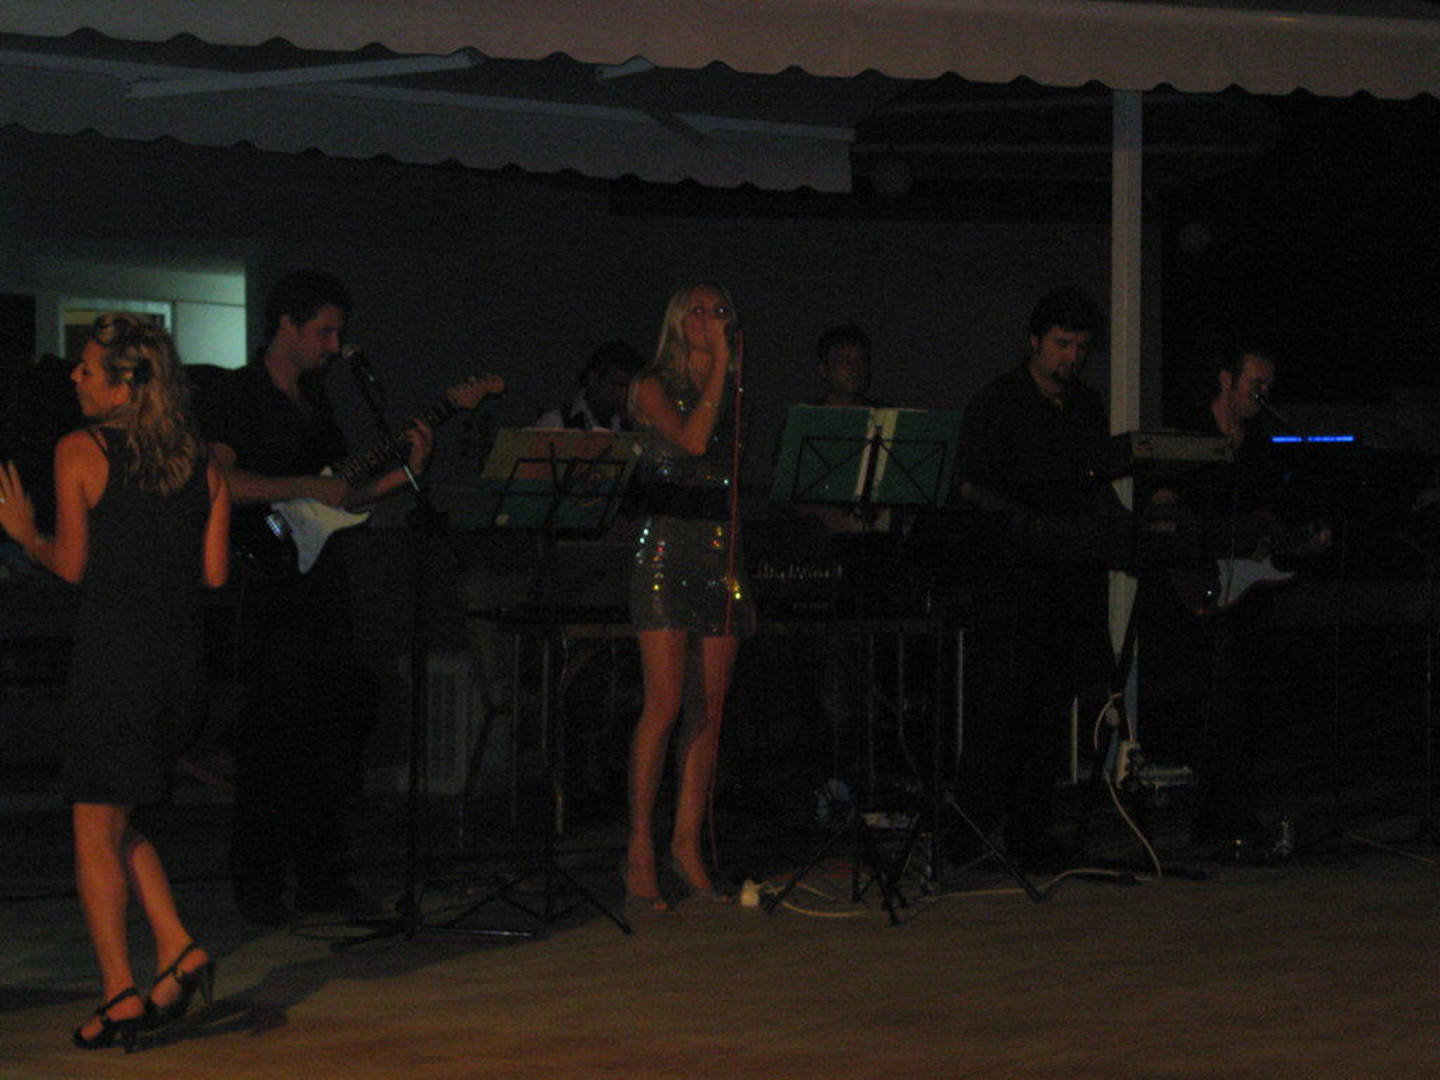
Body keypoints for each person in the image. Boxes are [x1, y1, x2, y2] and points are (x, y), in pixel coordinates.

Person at [0, 315, 230, 1050]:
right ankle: (179, 949)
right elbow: (214, 574)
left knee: (93, 832)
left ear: (126, 385)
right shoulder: (203, 462)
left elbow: (70, 565)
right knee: (119, 824)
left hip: (116, 667)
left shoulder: (81, 449)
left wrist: (26, 536)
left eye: (88, 369)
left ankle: (119, 995)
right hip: (179, 670)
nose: (74, 376)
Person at [195, 270, 433, 925]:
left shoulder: (316, 400)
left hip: (321, 579)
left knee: (329, 733)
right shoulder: (235, 393)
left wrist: (404, 474)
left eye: (338, 334)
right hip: (264, 580)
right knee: (272, 739)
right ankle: (260, 887)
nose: (334, 345)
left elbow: (338, 498)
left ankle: (324, 880)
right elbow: (218, 480)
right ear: (287, 325)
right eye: (325, 332)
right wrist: (301, 483)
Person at [955, 286, 1121, 870]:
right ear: (1034, 341)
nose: (1072, 357)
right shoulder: (997, 403)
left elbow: (1095, 486)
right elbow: (969, 484)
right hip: (1008, 580)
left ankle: (1030, 831)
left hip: (1065, 580)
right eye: (1061, 344)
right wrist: (1028, 524)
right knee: (996, 710)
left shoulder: (1086, 407)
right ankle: (970, 830)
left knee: (1049, 712)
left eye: (1081, 347)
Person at [1146, 347, 1326, 848]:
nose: (1263, 394)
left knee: (1246, 700)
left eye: (1269, 386)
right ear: (1226, 379)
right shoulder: (1189, 434)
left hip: (1245, 593)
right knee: (1216, 701)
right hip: (1194, 588)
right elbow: (1162, 507)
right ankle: (1216, 816)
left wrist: (1291, 537)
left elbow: (1268, 517)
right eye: (1255, 384)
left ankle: (1232, 813)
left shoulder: (1261, 447)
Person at [623, 282, 755, 908]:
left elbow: (729, 478)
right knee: (665, 704)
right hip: (665, 553)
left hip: (719, 553)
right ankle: (638, 849)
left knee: (711, 707)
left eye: (720, 311)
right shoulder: (651, 385)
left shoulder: (736, 394)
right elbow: (694, 441)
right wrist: (720, 367)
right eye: (697, 311)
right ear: (677, 321)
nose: (709, 320)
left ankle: (685, 843)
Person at [534, 341, 645, 431]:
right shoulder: (555, 423)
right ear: (594, 378)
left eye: (630, 388)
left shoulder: (629, 425)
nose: (624, 395)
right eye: (618, 384)